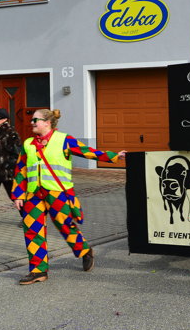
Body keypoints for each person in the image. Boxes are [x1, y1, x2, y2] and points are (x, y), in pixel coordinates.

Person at [11, 109, 126, 285]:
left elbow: (87, 151)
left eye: (36, 120)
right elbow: (21, 170)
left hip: (58, 193)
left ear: (47, 122)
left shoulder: (63, 140)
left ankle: (85, 250)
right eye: (32, 119)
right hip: (33, 194)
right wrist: (18, 194)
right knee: (33, 231)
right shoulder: (28, 144)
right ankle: (38, 271)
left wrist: (113, 156)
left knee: (65, 226)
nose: (32, 122)